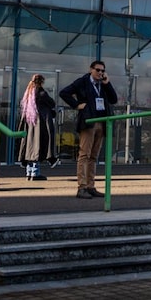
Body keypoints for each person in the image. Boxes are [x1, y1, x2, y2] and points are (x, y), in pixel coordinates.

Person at [59, 60, 118, 199]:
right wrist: (76, 105)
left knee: (94, 156)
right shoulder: (83, 81)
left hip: (101, 122)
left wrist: (107, 83)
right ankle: (82, 187)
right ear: (91, 69)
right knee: (84, 154)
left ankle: (91, 186)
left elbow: (113, 99)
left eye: (102, 71)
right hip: (89, 122)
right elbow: (64, 93)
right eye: (98, 70)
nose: (100, 73)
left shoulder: (103, 84)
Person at [17, 74, 59, 181]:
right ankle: (35, 173)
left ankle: (29, 172)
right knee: (37, 146)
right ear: (41, 82)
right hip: (39, 124)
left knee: (29, 147)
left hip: (29, 124)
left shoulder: (28, 94)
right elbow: (52, 103)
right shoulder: (41, 94)